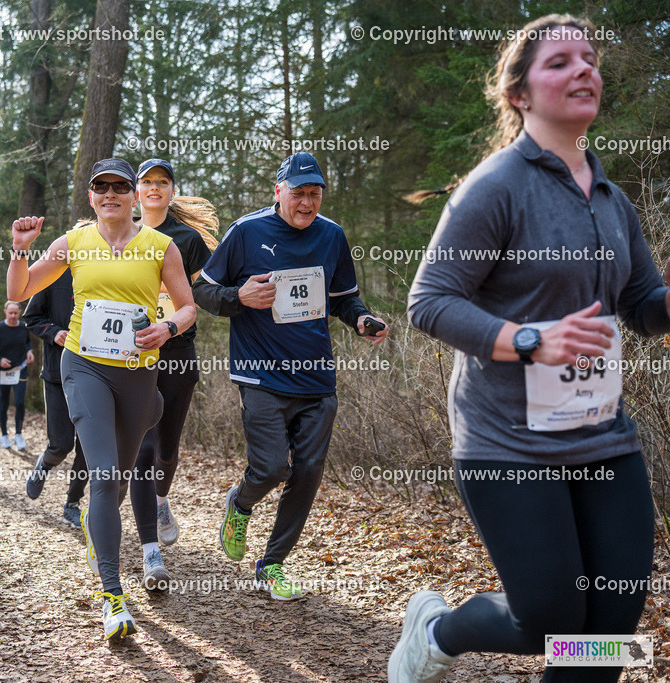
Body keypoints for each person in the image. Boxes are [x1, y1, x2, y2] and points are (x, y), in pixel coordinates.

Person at [392, 15, 670, 683]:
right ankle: (435, 630)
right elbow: (428, 301)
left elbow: (642, 309)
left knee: (610, 637)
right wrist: (525, 338)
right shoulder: (494, 187)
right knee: (548, 616)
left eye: (590, 59)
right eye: (559, 62)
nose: (583, 70)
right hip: (507, 442)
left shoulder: (610, 198)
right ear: (518, 94)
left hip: (603, 436)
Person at [7, 158, 196, 640]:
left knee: (118, 477)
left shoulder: (161, 247)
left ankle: (98, 526)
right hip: (84, 367)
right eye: (100, 187)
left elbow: (189, 306)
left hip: (137, 374)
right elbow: (21, 290)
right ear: (90, 197)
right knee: (106, 474)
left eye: (119, 186)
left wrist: (167, 327)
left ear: (134, 195)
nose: (110, 193)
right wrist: (19, 251)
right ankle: (113, 597)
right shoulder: (72, 242)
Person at [193, 152, 388, 601]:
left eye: (314, 194)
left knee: (309, 473)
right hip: (260, 374)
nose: (306, 202)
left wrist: (362, 320)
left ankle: (272, 564)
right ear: (278, 192)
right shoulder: (247, 232)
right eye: (298, 193)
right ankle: (241, 504)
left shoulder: (332, 236)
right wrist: (239, 296)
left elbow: (343, 299)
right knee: (271, 467)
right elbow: (203, 290)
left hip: (317, 379)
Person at [131, 159, 218, 546]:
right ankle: (147, 536)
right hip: (131, 353)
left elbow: (205, 292)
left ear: (171, 192)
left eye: (162, 182)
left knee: (166, 448)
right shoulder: (121, 234)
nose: (154, 188)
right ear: (136, 193)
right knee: (143, 445)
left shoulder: (187, 240)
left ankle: (161, 500)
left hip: (177, 350)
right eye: (147, 182)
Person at [23, 270, 89, 527]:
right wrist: (54, 333)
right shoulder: (54, 274)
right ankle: (43, 464)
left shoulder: (108, 271)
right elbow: (32, 317)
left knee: (87, 447)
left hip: (95, 375)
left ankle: (72, 503)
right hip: (57, 373)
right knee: (61, 444)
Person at [0, 302, 34, 450]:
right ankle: (4, 435)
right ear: (5, 312)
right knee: (4, 403)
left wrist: (30, 351)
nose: (13, 316)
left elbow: (28, 341)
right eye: (10, 313)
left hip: (20, 368)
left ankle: (18, 435)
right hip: (3, 371)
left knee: (19, 402)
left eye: (15, 313)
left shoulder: (24, 327)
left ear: (19, 312)